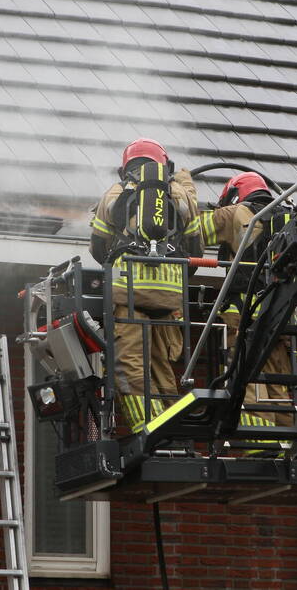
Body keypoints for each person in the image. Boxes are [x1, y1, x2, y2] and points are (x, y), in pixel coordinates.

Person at [89, 139, 202, 432]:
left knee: (129, 367)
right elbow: (196, 252)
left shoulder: (115, 193)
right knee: (162, 368)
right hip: (170, 298)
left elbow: (98, 248)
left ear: (126, 166)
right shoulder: (181, 196)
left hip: (129, 295)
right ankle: (174, 431)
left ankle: (148, 430)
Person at [200, 171, 293, 428]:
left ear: (234, 195)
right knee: (278, 386)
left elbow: (191, 232)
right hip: (281, 317)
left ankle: (258, 443)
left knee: (247, 382)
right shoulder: (288, 218)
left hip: (244, 313)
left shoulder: (233, 213)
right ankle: (285, 442)